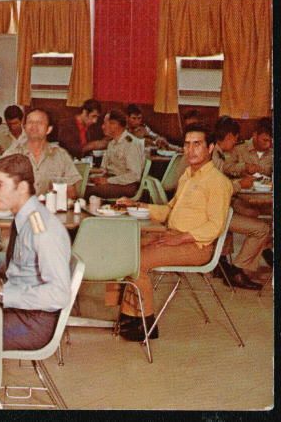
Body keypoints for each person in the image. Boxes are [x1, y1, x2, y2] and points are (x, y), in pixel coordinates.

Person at [115, 123, 232, 341]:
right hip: (174, 236)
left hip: (197, 247)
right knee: (124, 249)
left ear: (211, 148)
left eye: (197, 144)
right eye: (187, 145)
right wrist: (138, 204)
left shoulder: (218, 182)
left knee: (138, 262)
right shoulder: (187, 175)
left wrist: (180, 239)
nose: (190, 150)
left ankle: (146, 323)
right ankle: (129, 315)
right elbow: (169, 210)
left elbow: (215, 226)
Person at [0, 154, 71, 350]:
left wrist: (2, 294)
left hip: (31, 325)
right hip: (19, 312)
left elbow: (59, 294)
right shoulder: (25, 219)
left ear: (22, 187)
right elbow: (19, 264)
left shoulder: (42, 230)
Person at [210, 117, 270, 289]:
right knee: (262, 229)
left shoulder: (216, 153)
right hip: (215, 213)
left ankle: (221, 262)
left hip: (219, 208)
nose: (236, 142)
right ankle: (238, 271)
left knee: (248, 212)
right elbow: (217, 188)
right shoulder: (214, 157)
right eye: (235, 138)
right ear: (229, 136)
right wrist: (239, 185)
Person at [3, 109, 81, 198]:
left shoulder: (60, 155)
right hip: (19, 209)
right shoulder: (12, 153)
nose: (34, 126)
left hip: (50, 209)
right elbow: (0, 187)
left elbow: (71, 192)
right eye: (30, 122)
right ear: (24, 127)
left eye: (39, 123)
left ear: (49, 129)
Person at [85, 109, 143, 199]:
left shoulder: (131, 144)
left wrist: (108, 181)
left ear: (114, 125)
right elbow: (104, 169)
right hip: (112, 180)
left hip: (126, 185)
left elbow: (134, 175)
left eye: (105, 124)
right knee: (82, 185)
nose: (102, 127)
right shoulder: (111, 143)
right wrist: (95, 177)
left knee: (88, 190)